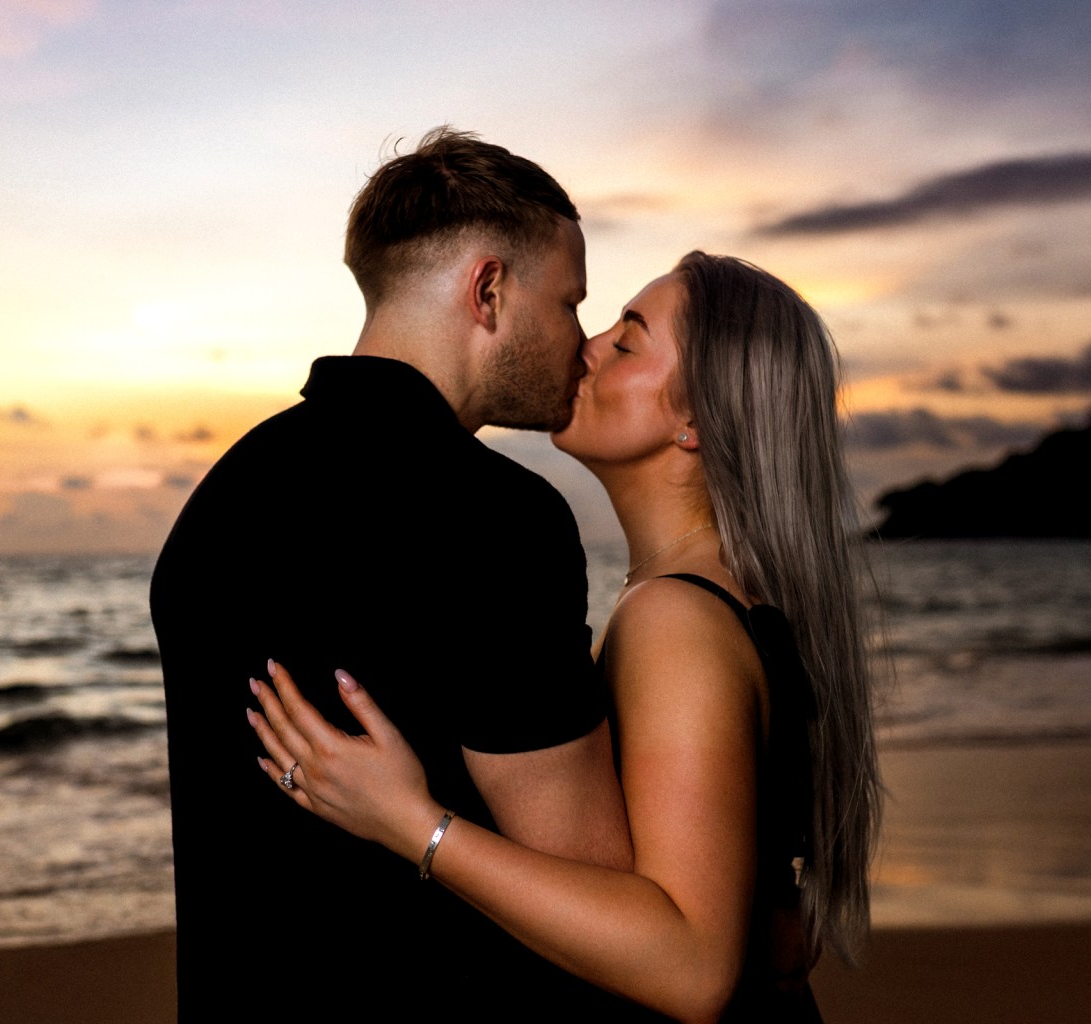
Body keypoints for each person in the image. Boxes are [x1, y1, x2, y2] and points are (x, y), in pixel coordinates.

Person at [248, 251, 884, 1023]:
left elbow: (691, 968)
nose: (587, 346)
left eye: (626, 342)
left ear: (696, 419)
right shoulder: (715, 598)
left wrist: (411, 822)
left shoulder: (675, 619)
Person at [150, 128, 638, 1019]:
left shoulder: (219, 500)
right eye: (570, 302)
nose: (581, 340)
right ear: (489, 290)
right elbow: (596, 894)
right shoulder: (496, 519)